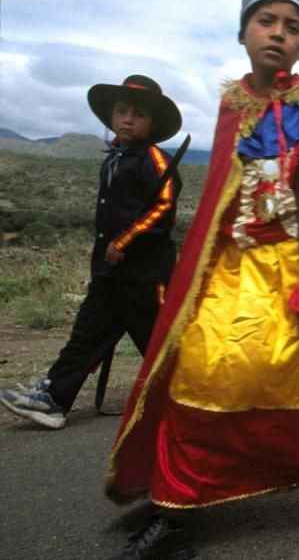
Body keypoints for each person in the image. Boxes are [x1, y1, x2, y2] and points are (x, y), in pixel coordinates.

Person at [104, 0, 299, 558]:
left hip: (291, 268)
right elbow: (216, 207)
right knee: (196, 372)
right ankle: (178, 503)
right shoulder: (233, 107)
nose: (279, 32)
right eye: (267, 20)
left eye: (293, 25)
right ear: (243, 30)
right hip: (230, 268)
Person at [0, 76, 182, 430]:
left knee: (161, 345)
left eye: (139, 113)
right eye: (121, 111)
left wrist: (123, 241)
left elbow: (162, 207)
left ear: (153, 122)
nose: (128, 118)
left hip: (144, 276)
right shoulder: (114, 158)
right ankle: (53, 400)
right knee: (85, 337)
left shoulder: (156, 160)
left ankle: (193, 404)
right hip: (109, 273)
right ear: (111, 117)